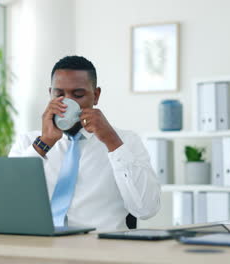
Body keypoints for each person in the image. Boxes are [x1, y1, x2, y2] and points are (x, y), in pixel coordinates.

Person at [9, 55, 160, 231]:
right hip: (41, 248)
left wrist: (112, 141)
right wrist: (44, 142)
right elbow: (9, 201)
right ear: (50, 94)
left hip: (100, 249)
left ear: (96, 96)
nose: (67, 103)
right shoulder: (28, 143)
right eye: (59, 94)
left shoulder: (125, 141)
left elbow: (146, 209)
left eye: (78, 95)